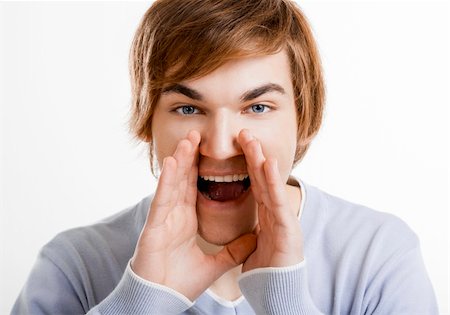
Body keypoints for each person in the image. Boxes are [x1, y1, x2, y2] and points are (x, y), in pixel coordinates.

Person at [12, 0, 438, 314]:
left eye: (257, 108)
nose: (219, 147)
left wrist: (284, 300)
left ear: (304, 117)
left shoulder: (380, 257)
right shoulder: (73, 265)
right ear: (147, 122)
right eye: (188, 108)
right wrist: (139, 302)